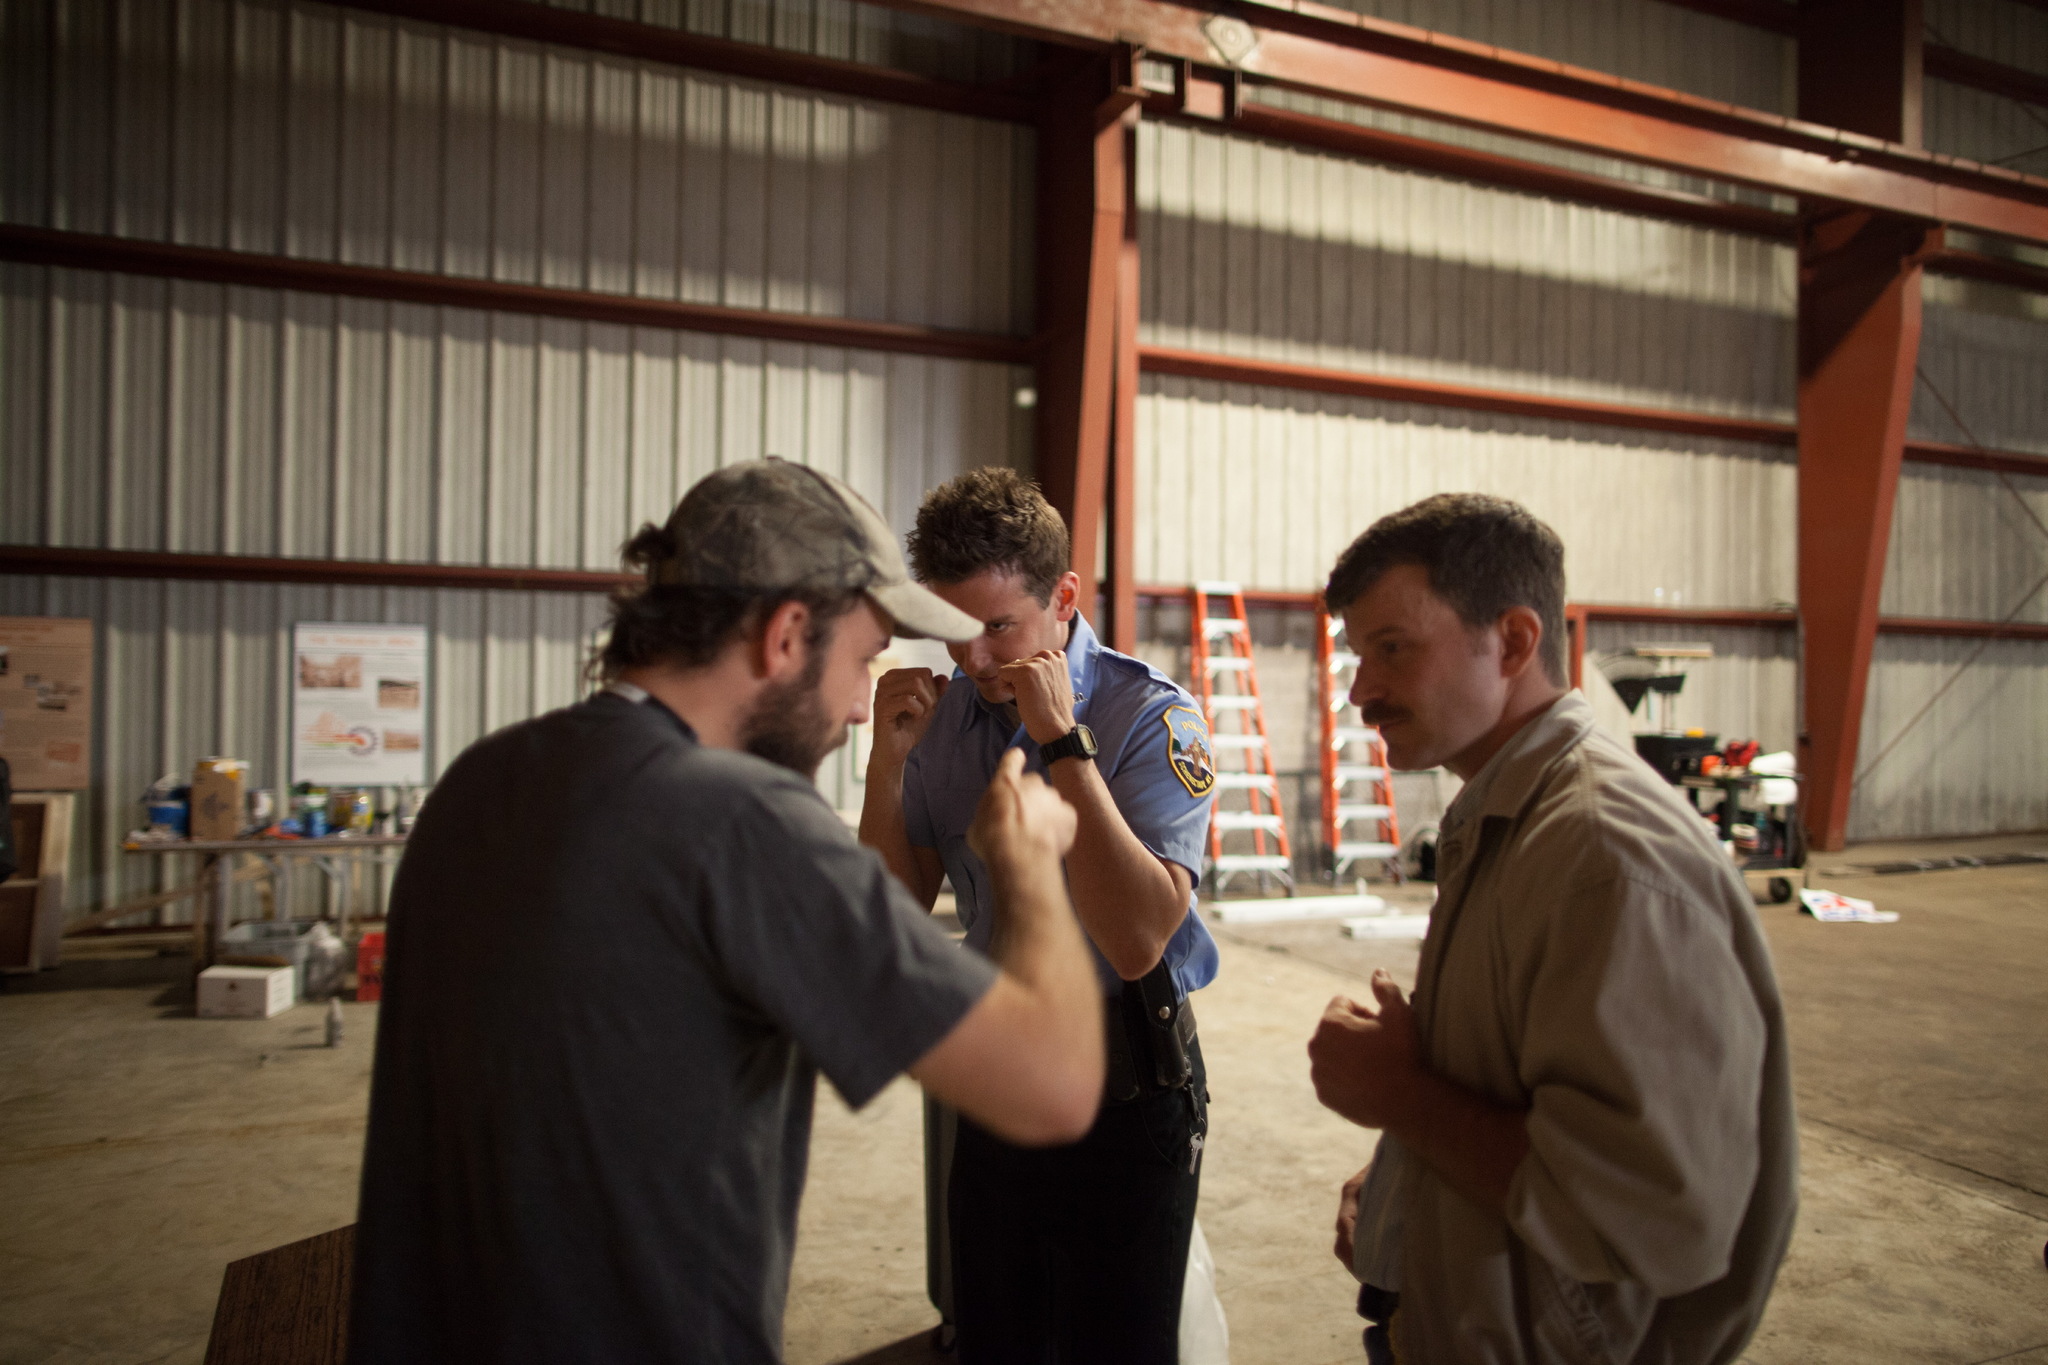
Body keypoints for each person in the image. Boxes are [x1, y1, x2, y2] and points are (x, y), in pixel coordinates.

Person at [348, 459, 1106, 1365]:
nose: (860, 704)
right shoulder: (746, 824)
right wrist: (1025, 864)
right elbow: (1054, 1084)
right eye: (860, 659)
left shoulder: (482, 781)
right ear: (786, 635)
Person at [1305, 493, 1797, 1364]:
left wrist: (1406, 1099)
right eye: (1358, 653)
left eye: (1393, 649)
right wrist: (1406, 1175)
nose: (1360, 690)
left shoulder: (1603, 854)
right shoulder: (1509, 814)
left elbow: (1654, 1211)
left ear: (1516, 641)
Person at [859, 467, 1219, 1364]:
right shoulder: (943, 720)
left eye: (997, 627)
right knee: (996, 1329)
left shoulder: (1149, 716)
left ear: (1063, 598)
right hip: (999, 1062)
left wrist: (1063, 745)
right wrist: (884, 769)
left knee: (1121, 1340)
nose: (972, 658)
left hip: (1128, 1076)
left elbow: (1137, 940)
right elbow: (891, 915)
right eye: (953, 630)